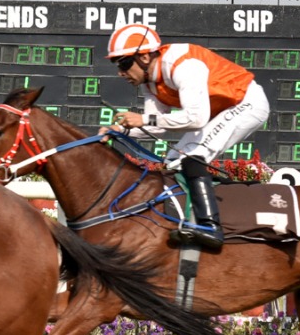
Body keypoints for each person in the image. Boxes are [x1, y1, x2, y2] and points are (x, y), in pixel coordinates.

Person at [102, 24, 270, 252]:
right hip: (217, 110)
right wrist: (119, 131)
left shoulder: (182, 66)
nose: (121, 73)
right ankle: (202, 212)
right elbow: (156, 126)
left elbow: (196, 119)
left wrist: (142, 119)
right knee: (172, 161)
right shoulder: (149, 81)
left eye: (124, 63)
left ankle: (211, 227)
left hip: (245, 102)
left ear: (144, 57)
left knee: (193, 157)